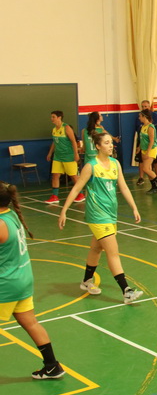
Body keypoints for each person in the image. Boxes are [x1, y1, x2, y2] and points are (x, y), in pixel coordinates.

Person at [58, 132, 144, 304]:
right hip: (97, 215)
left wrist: (134, 207)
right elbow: (76, 189)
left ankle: (86, 281)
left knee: (96, 248)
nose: (110, 145)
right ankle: (126, 291)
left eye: (111, 142)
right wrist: (64, 210)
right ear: (97, 146)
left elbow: (123, 187)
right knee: (113, 253)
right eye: (106, 143)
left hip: (111, 214)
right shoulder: (91, 166)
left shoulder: (115, 164)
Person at [0, 181, 64, 379]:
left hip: (6, 284)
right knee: (31, 322)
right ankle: (52, 366)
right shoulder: (11, 215)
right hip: (22, 279)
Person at [45, 110, 84, 205]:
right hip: (58, 157)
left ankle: (81, 194)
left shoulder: (66, 128)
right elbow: (54, 142)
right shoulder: (54, 129)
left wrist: (76, 154)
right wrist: (50, 153)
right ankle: (55, 196)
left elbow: (74, 141)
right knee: (55, 175)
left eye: (53, 117)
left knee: (73, 176)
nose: (51, 119)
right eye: (51, 117)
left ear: (59, 117)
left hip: (68, 156)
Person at [134, 100, 157, 185]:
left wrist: (148, 152)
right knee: (148, 169)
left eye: (140, 116)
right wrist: (139, 147)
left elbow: (151, 141)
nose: (139, 118)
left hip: (150, 150)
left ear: (144, 117)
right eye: (142, 106)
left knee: (146, 169)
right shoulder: (143, 126)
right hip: (144, 149)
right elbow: (141, 138)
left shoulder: (150, 126)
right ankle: (154, 186)